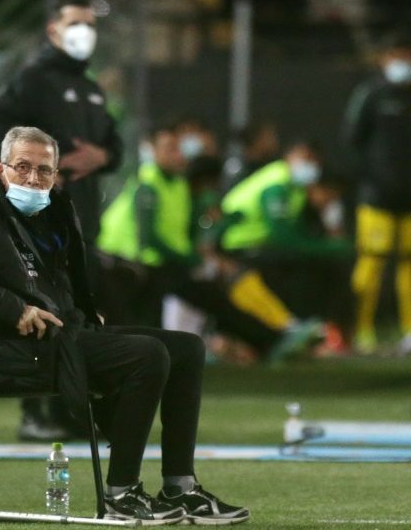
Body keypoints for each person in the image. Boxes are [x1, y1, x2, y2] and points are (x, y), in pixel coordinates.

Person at [0, 126, 249, 525]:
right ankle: (122, 492)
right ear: (1, 170)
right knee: (147, 354)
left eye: (44, 170)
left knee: (188, 347)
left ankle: (180, 487)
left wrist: (84, 308)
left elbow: (59, 278)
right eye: (22, 167)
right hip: (15, 346)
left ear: (56, 172)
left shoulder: (55, 209)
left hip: (67, 334)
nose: (33, 179)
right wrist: (14, 309)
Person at [0, 0, 125, 440]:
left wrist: (103, 155)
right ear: (53, 31)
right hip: (41, 217)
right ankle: (34, 412)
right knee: (39, 306)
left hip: (82, 216)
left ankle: (70, 409)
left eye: (90, 25)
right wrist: (37, 171)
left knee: (79, 314)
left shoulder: (93, 89)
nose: (85, 32)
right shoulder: (34, 80)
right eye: (75, 23)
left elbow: (114, 147)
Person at [97, 123, 300, 361]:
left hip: (161, 265)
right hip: (128, 264)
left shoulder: (178, 183)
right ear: (153, 151)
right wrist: (191, 259)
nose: (177, 155)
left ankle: (267, 339)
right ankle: (268, 339)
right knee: (141, 320)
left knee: (210, 298)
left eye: (178, 149)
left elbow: (186, 230)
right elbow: (148, 240)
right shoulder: (148, 184)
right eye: (169, 149)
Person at [219, 141, 352, 354]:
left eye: (313, 160)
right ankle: (292, 328)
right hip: (238, 246)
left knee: (314, 266)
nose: (310, 165)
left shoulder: (295, 188)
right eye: (305, 158)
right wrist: (329, 248)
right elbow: (284, 238)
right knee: (303, 267)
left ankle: (304, 329)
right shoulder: (276, 182)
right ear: (289, 156)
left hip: (262, 247)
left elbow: (295, 233)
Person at [344, 30, 411, 354]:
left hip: (410, 201)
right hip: (377, 199)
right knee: (371, 263)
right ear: (384, 59)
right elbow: (353, 141)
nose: (403, 63)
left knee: (409, 267)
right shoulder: (371, 94)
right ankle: (361, 330)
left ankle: (409, 332)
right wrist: (371, 180)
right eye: (396, 56)